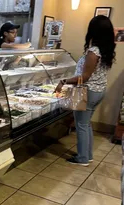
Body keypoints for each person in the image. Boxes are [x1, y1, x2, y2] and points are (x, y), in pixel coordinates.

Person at [55, 15, 116, 167]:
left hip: (87, 92)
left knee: (81, 124)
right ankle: (87, 155)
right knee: (86, 124)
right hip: (98, 91)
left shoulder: (93, 52)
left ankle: (82, 158)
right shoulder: (105, 50)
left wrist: (64, 81)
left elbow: (85, 77)